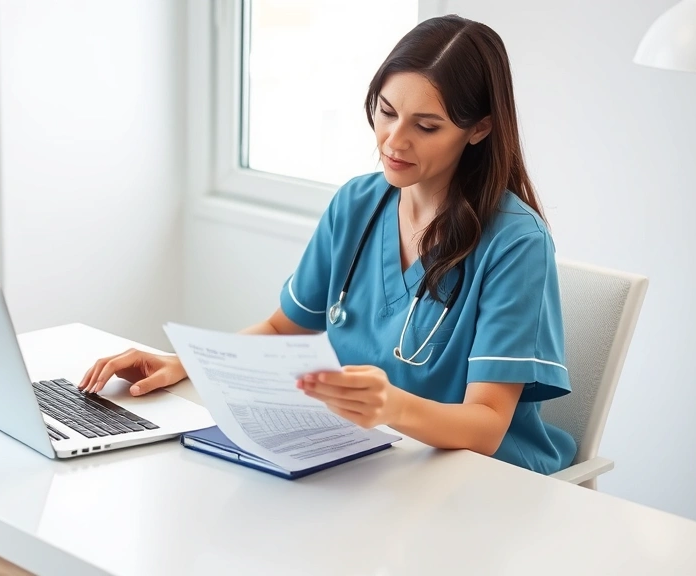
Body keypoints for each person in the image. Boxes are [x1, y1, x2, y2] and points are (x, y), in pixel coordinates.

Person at [78, 14, 577, 474]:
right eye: (386, 112)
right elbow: (283, 327)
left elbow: (487, 424)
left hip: (475, 480)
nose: (393, 141)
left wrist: (393, 406)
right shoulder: (358, 203)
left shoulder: (516, 244)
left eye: (426, 127)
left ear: (480, 129)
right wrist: (183, 364)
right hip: (367, 458)